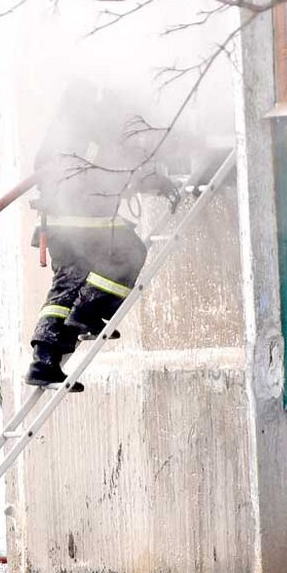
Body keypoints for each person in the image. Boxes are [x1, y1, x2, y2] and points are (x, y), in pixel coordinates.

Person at [25, 81, 180, 391]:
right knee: (130, 253)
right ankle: (88, 312)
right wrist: (158, 181)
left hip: (56, 222)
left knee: (66, 285)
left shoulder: (64, 125)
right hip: (83, 218)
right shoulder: (96, 127)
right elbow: (120, 167)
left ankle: (43, 361)